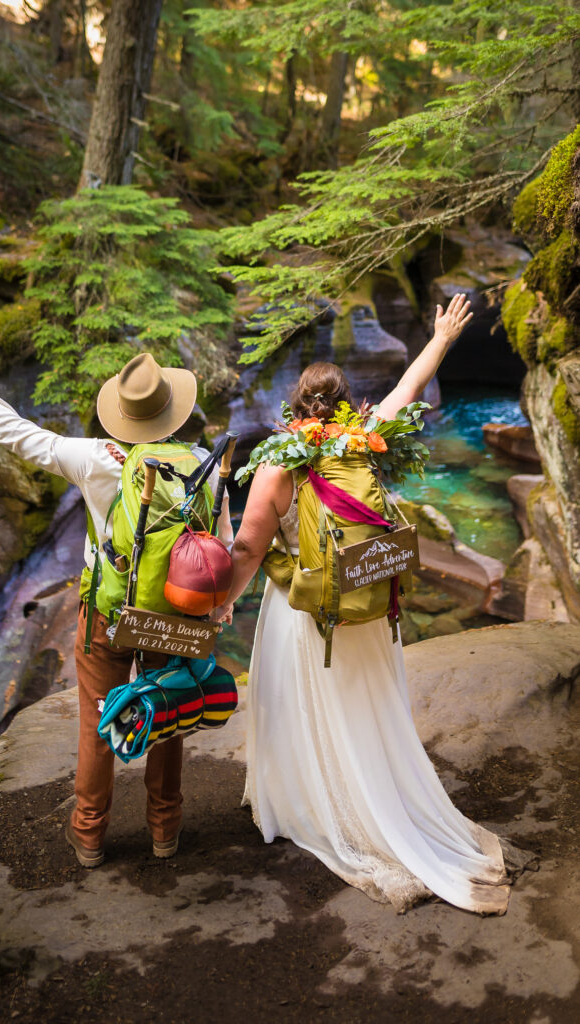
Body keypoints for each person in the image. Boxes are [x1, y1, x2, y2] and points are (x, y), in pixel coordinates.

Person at [214, 293, 513, 915]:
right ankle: (386, 799)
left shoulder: (275, 466)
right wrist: (442, 338)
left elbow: (245, 549)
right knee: (369, 708)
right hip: (370, 605)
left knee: (307, 707)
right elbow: (408, 388)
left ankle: (323, 805)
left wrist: (221, 606)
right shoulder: (364, 440)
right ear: (347, 405)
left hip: (307, 613)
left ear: (295, 411)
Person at [0, 322, 233, 868]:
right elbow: (224, 545)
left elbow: (20, 434)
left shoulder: (96, 459)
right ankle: (165, 828)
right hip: (176, 613)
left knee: (98, 718)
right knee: (167, 709)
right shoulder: (202, 465)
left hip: (109, 613)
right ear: (173, 410)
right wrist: (220, 608)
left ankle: (89, 834)